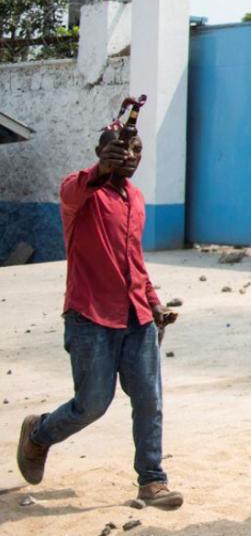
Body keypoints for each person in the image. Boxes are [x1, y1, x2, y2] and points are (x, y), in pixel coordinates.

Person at [16, 130, 182, 509]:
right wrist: (100, 168)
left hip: (136, 316)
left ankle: (152, 481)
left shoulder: (135, 199)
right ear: (103, 152)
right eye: (122, 149)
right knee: (92, 403)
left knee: (149, 399)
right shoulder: (80, 193)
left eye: (136, 150)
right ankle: (38, 433)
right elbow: (77, 187)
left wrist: (153, 303)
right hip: (90, 317)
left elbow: (133, 260)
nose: (131, 157)